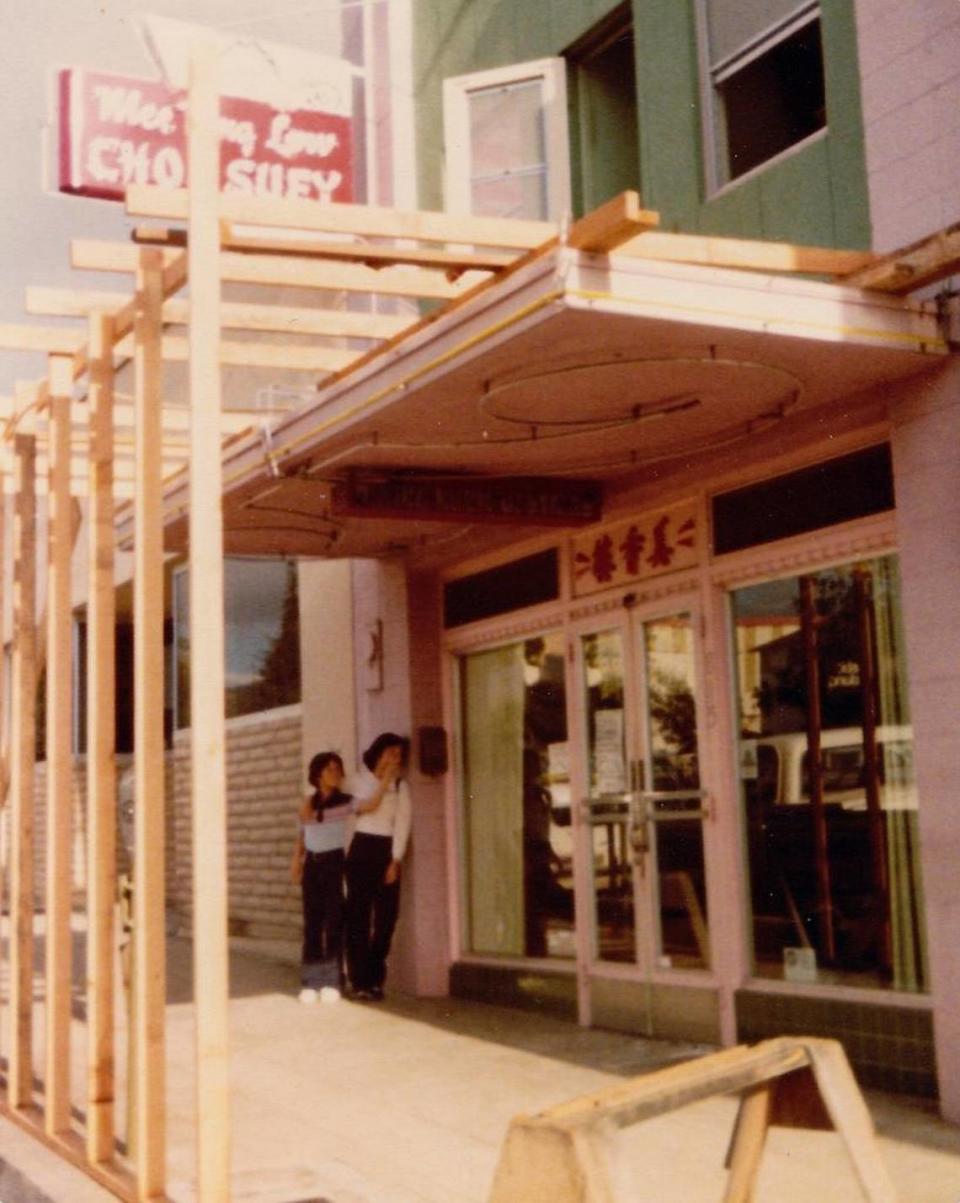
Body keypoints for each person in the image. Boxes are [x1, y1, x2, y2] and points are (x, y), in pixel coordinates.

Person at [290, 751, 384, 1004]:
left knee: (333, 923)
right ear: (318, 773)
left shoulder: (344, 801)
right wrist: (296, 863)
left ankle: (332, 982)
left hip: (333, 864)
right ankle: (311, 983)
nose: (335, 773)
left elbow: (371, 804)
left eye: (337, 769)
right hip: (312, 864)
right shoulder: (307, 803)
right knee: (312, 924)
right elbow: (302, 834)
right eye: (329, 769)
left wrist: (385, 781)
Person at [344, 732, 412, 1000]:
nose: (396, 758)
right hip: (361, 848)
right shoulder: (359, 781)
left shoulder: (402, 787)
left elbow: (402, 824)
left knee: (386, 918)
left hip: (386, 851)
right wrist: (384, 781)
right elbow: (364, 809)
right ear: (379, 752)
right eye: (391, 752)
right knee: (358, 917)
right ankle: (359, 981)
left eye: (400, 754)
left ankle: (375, 978)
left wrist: (395, 860)